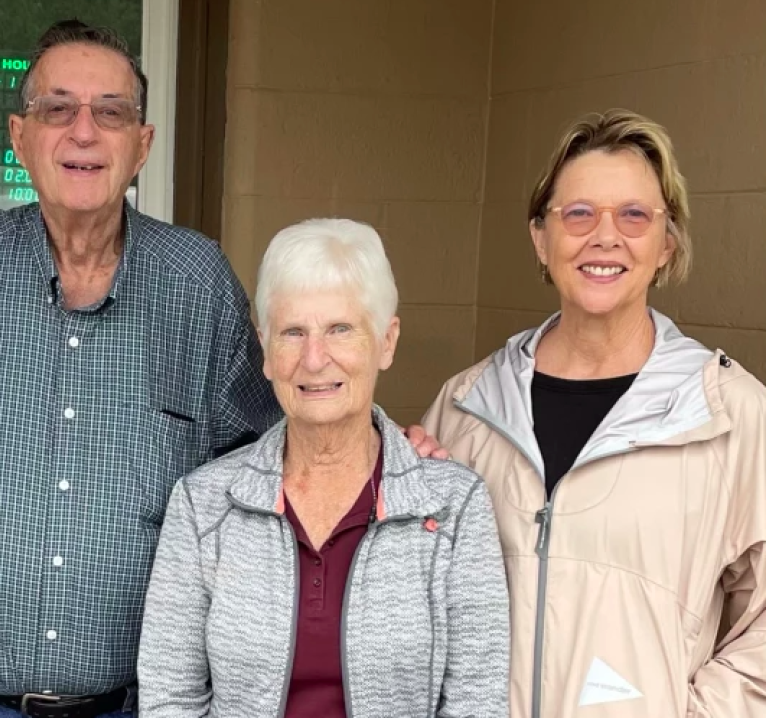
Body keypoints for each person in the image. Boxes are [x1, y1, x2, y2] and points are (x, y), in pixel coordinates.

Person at [0, 19, 283, 718]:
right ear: (19, 137)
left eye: (111, 112)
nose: (83, 132)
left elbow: (264, 459)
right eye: (56, 109)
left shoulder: (196, 282)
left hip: (136, 705)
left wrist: (386, 451)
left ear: (142, 145)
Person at [417, 109, 766, 717]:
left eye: (634, 215)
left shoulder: (728, 414)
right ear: (540, 238)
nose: (605, 236)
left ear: (667, 242)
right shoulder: (467, 407)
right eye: (578, 213)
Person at [136, 219, 510, 718]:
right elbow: (170, 698)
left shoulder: (453, 506)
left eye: (340, 329)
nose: (314, 359)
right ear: (265, 350)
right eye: (292, 332)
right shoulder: (204, 504)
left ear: (386, 341)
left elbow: (475, 704)